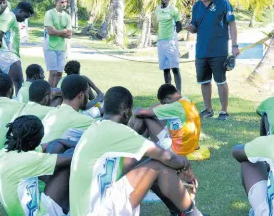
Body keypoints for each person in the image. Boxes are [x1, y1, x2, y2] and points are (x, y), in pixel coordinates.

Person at [70, 86, 202, 216]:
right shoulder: (119, 131)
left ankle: (177, 211)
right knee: (158, 165)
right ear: (127, 113)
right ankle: (192, 213)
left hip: (82, 209)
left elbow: (134, 161)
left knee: (147, 163)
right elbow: (168, 158)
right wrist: (185, 165)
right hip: (101, 210)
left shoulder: (94, 127)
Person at [0, 115, 76, 215]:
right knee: (66, 165)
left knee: (57, 146)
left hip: (25, 207)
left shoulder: (6, 152)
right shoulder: (29, 159)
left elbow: (51, 144)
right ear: (34, 142)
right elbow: (72, 157)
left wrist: (59, 140)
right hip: (39, 213)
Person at [185, 0, 239, 120]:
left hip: (219, 50)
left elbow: (232, 24)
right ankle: (208, 110)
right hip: (201, 51)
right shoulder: (196, 6)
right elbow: (195, 28)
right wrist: (190, 28)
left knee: (220, 81)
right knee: (204, 81)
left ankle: (223, 111)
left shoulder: (223, 2)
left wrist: (234, 45)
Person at [131, 84, 201, 156]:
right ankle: (136, 142)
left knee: (144, 117)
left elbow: (139, 112)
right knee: (152, 111)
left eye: (164, 103)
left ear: (168, 98)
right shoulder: (187, 100)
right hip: (191, 145)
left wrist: (136, 112)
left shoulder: (172, 107)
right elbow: (155, 107)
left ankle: (130, 142)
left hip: (177, 149)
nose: (164, 105)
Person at [0, 1, 34, 95]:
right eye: (25, 16)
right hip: (7, 54)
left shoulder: (7, 15)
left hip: (2, 53)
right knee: (19, 82)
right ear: (20, 11)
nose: (23, 20)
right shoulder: (10, 16)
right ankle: (20, 105)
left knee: (1, 84)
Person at [41, 74, 95, 143]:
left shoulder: (50, 113)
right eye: (87, 93)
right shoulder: (84, 121)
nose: (88, 97)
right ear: (81, 95)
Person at [154, 0, 182, 93]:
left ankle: (179, 92)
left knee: (175, 68)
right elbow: (157, 25)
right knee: (165, 69)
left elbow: (179, 25)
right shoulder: (157, 10)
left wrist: (175, 31)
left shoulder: (173, 10)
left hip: (171, 42)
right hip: (161, 42)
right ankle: (168, 93)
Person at [43, 0, 72, 88]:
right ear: (56, 2)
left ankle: (55, 92)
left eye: (65, 2)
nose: (64, 4)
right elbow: (50, 31)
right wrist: (63, 31)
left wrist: (57, 31)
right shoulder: (49, 13)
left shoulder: (67, 16)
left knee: (59, 73)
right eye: (61, 2)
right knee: (53, 72)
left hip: (62, 47)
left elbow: (69, 35)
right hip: (50, 46)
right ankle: (49, 93)